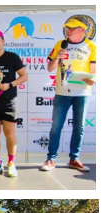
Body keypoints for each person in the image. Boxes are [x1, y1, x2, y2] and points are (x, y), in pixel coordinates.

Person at [41, 19, 96, 172]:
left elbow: (94, 70)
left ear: (82, 30)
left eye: (71, 28)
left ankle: (74, 158)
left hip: (82, 92)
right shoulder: (60, 44)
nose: (68, 31)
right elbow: (50, 68)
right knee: (56, 126)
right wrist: (57, 57)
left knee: (79, 127)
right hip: (62, 92)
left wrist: (93, 79)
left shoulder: (92, 46)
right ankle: (51, 159)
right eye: (67, 28)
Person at [0, 29, 29, 177]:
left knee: (9, 133)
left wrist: (8, 85)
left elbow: (24, 76)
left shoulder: (12, 57)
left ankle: (11, 163)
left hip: (9, 101)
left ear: (3, 41)